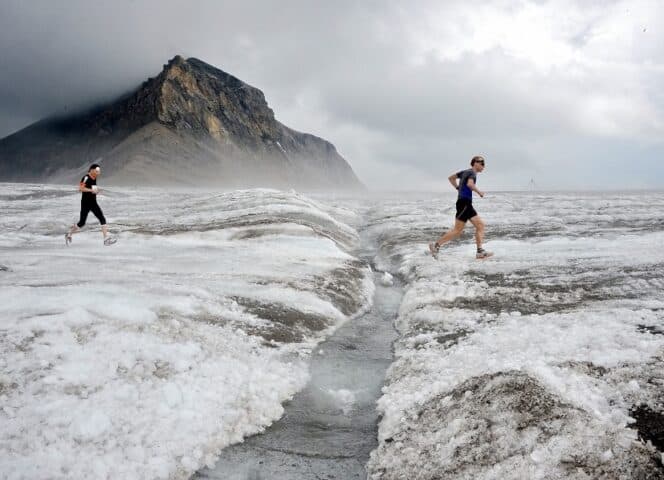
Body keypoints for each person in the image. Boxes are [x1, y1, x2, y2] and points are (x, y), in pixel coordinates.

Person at [429, 155, 492, 259]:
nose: (483, 166)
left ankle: (480, 251)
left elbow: (451, 178)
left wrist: (457, 187)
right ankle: (436, 246)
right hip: (465, 203)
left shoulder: (464, 172)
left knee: (480, 225)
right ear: (475, 163)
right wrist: (479, 192)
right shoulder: (472, 173)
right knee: (457, 230)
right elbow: (470, 184)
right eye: (482, 163)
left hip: (464, 203)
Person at [64, 164, 115, 246]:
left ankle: (106, 239)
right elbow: (80, 189)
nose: (98, 172)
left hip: (93, 203)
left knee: (102, 218)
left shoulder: (94, 178)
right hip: (85, 203)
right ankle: (69, 234)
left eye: (99, 171)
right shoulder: (86, 177)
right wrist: (91, 190)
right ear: (91, 170)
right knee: (81, 223)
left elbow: (92, 189)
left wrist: (96, 190)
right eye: (97, 171)